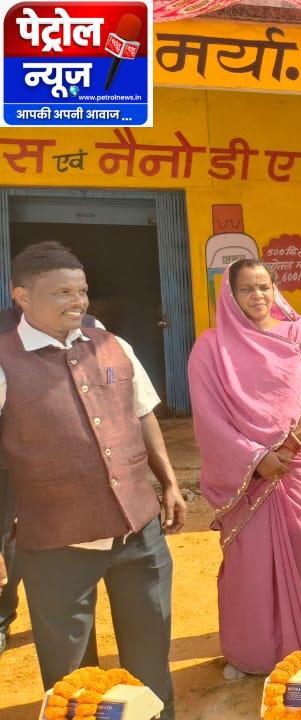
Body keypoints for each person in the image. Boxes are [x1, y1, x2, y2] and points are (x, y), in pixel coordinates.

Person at [0, 241, 184, 718]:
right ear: (22, 296)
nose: (78, 301)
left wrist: (168, 482)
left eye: (81, 291)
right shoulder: (4, 359)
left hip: (138, 534)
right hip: (55, 544)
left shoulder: (112, 345)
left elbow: (143, 413)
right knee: (72, 679)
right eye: (62, 292)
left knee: (150, 661)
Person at [188, 259, 301, 679]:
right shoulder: (210, 347)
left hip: (297, 464)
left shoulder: (299, 334)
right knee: (248, 564)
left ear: (275, 289)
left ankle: (300, 643)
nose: (258, 296)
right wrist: (256, 458)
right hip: (247, 471)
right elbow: (209, 417)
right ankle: (248, 653)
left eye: (265, 287)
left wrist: (289, 446)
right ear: (230, 295)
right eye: (247, 289)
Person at [0, 292, 100, 659]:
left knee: (72, 540)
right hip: (10, 461)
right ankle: (2, 616)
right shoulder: (3, 332)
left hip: (68, 460)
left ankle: (70, 618)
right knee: (7, 537)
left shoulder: (91, 328)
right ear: (22, 292)